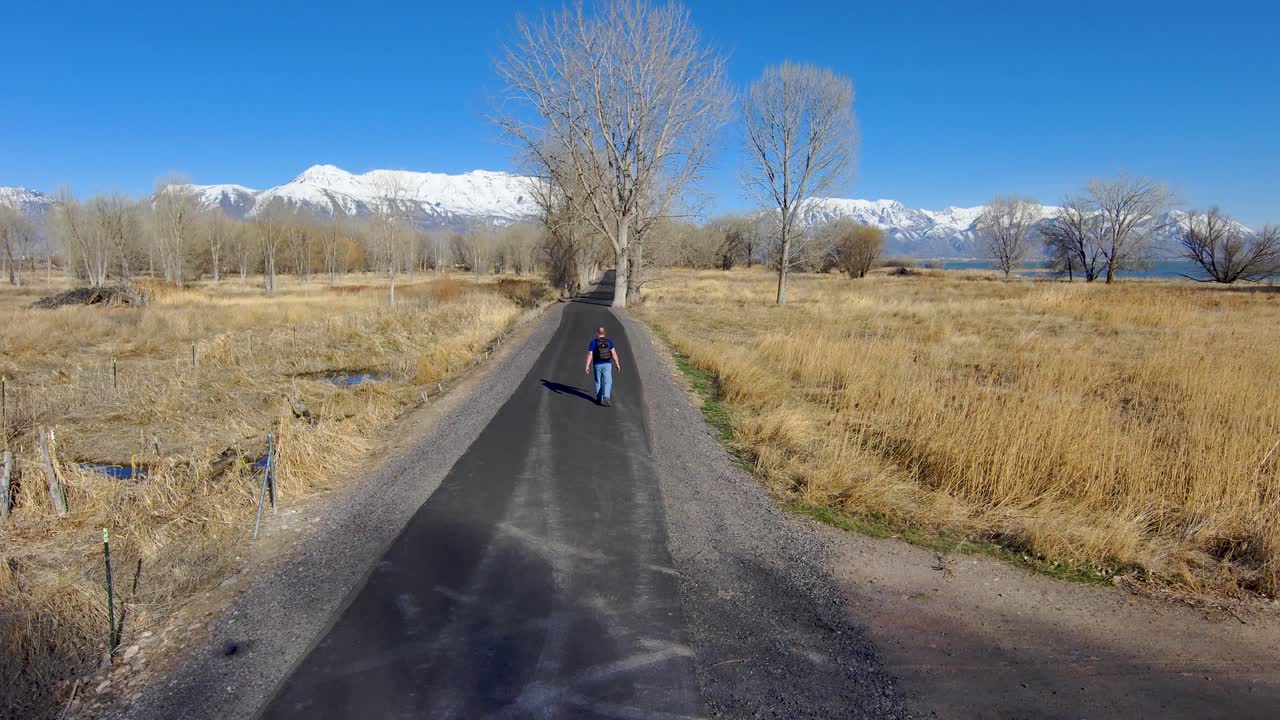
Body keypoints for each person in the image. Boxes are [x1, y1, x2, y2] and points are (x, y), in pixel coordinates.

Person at [585, 326, 622, 406]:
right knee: (608, 381)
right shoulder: (609, 342)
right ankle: (606, 396)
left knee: (598, 381)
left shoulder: (593, 342)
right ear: (604, 333)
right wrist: (617, 364)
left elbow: (590, 354)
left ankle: (599, 399)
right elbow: (614, 354)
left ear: (597, 333)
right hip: (607, 364)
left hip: (597, 364)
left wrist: (587, 365)